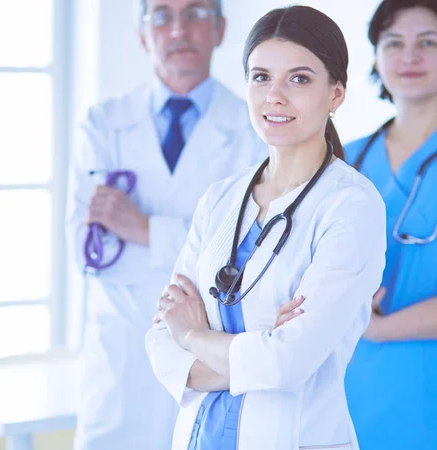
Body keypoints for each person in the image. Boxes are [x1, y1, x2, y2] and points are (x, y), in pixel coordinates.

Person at [146, 5, 387, 450]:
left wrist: (194, 335)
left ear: (335, 94)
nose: (275, 96)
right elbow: (161, 344)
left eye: (299, 79)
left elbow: (287, 362)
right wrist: (256, 352)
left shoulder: (350, 206)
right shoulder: (220, 199)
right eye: (261, 77)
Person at [66, 0, 266, 449]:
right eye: (163, 16)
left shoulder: (252, 127)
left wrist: (142, 229)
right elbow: (83, 247)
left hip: (206, 347)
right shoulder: (104, 124)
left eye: (195, 14)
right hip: (120, 353)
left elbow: (246, 255)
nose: (179, 29)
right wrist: (189, 244)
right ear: (142, 34)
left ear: (219, 29)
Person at [343, 1, 437, 448]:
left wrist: (378, 327)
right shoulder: (343, 159)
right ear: (376, 58)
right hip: (350, 392)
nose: (409, 56)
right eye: (393, 42)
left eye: (428, 42)